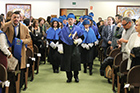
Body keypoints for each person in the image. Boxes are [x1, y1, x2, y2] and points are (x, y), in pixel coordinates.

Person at [2, 11, 31, 90]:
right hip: (10, 51)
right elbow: (1, 29)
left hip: (20, 51)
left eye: (17, 17)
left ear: (20, 18)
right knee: (11, 70)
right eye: (14, 17)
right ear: (11, 18)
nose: (16, 19)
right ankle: (11, 88)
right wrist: (8, 23)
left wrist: (22, 41)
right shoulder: (7, 26)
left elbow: (29, 39)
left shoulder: (24, 27)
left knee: (20, 69)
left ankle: (20, 86)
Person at [58, 13, 84, 83]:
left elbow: (82, 36)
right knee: (67, 63)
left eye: (71, 19)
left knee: (75, 63)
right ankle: (69, 77)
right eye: (69, 19)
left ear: (74, 20)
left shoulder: (78, 28)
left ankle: (76, 76)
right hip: (66, 48)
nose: (70, 21)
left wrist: (79, 40)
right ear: (67, 20)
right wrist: (60, 47)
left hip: (75, 47)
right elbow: (60, 38)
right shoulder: (63, 29)